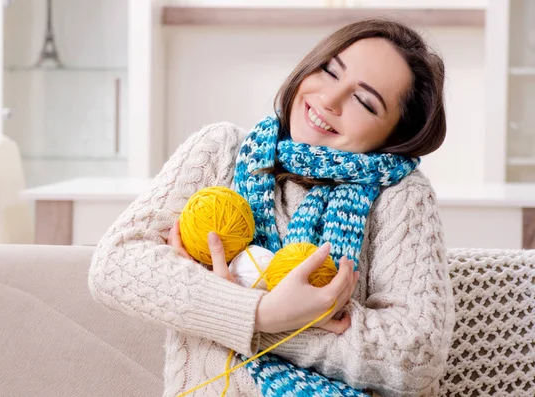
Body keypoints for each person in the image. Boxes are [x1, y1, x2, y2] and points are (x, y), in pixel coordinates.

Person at [88, 18, 456, 397]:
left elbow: (417, 358)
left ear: (395, 134)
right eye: (329, 71)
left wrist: (258, 319)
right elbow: (116, 264)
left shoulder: (400, 194)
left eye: (363, 101)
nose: (329, 100)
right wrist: (262, 313)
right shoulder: (221, 152)